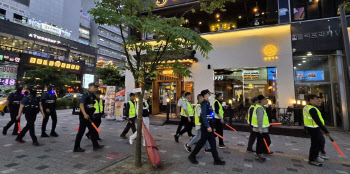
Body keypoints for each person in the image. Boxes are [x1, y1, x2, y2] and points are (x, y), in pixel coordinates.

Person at [188, 89, 225, 165]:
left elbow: (208, 114)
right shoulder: (204, 103)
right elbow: (204, 116)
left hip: (208, 125)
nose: (209, 95)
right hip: (206, 126)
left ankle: (216, 160)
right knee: (202, 142)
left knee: (212, 143)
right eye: (208, 94)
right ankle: (192, 156)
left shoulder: (207, 102)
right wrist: (208, 126)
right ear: (205, 95)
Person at [73, 83, 104, 152]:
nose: (96, 88)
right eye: (95, 87)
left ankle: (95, 145)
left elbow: (91, 106)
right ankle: (76, 147)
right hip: (84, 117)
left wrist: (92, 113)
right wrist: (84, 114)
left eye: (97, 87)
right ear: (90, 87)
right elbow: (81, 105)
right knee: (81, 132)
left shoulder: (92, 95)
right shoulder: (85, 95)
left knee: (92, 131)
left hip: (89, 116)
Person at [303, 95, 331, 166]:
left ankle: (316, 156)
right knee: (315, 144)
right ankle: (312, 159)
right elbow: (317, 121)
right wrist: (325, 130)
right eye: (315, 99)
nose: (317, 100)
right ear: (310, 100)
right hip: (313, 128)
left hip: (312, 128)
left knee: (319, 142)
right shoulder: (312, 109)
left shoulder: (308, 107)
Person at [251, 95, 272, 162]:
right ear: (262, 100)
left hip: (260, 128)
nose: (266, 101)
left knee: (260, 141)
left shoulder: (260, 107)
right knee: (266, 141)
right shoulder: (260, 108)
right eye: (265, 99)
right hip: (261, 129)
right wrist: (260, 129)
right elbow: (260, 119)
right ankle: (260, 153)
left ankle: (259, 153)